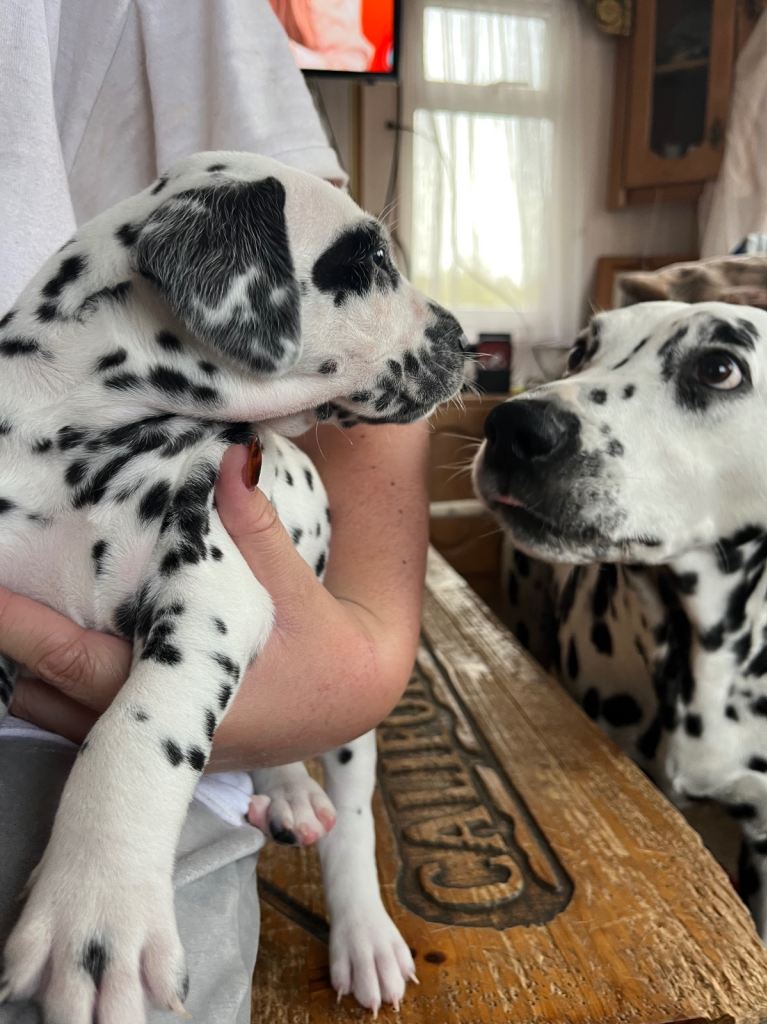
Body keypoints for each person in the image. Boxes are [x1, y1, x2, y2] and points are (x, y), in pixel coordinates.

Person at [0, 2, 427, 1021]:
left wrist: (364, 661)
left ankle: (346, 863)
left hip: (146, 757)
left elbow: (317, 242)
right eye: (385, 279)